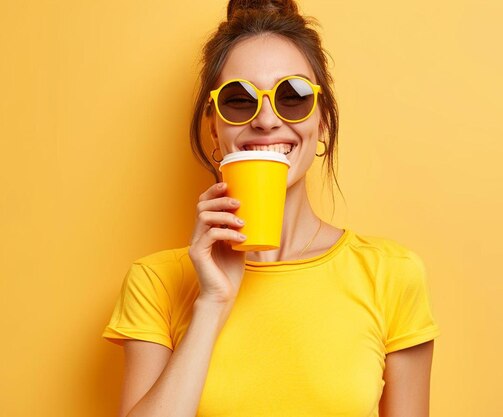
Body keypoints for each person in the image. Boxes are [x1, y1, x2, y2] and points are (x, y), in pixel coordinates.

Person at [101, 1, 441, 416]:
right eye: (239, 100)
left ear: (323, 123)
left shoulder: (391, 275)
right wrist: (212, 303)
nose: (265, 119)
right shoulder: (156, 283)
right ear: (214, 127)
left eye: (292, 96)